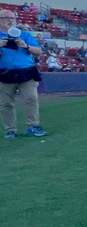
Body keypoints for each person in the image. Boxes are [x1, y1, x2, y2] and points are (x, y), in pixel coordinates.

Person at [0, 10, 47, 139]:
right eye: (6, 18)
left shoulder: (25, 35)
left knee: (31, 98)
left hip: (27, 72)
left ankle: (32, 126)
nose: (10, 20)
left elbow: (38, 51)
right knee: (6, 103)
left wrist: (26, 46)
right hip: (5, 73)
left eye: (13, 18)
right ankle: (10, 129)